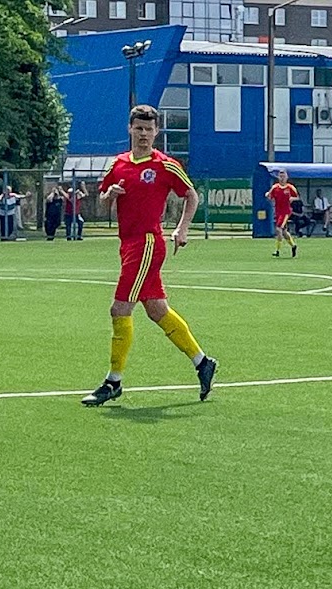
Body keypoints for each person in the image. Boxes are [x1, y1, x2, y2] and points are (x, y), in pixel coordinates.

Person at [81, 104, 217, 407]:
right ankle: (202, 362)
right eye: (139, 128)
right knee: (157, 309)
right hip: (127, 244)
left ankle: (113, 381)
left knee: (119, 309)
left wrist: (183, 229)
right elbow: (101, 201)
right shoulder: (117, 164)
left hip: (147, 244)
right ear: (130, 129)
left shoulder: (165, 165)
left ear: (156, 132)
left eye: (149, 129)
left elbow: (191, 195)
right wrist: (110, 195)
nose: (144, 134)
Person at [266, 170, 298, 257]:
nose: (282, 178)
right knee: (284, 232)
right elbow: (270, 196)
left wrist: (292, 199)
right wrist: (268, 195)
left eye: (284, 176)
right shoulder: (275, 187)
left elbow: (297, 197)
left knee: (278, 229)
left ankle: (277, 250)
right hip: (278, 212)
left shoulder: (290, 187)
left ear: (287, 177)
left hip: (286, 212)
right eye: (280, 176)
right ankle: (293, 245)